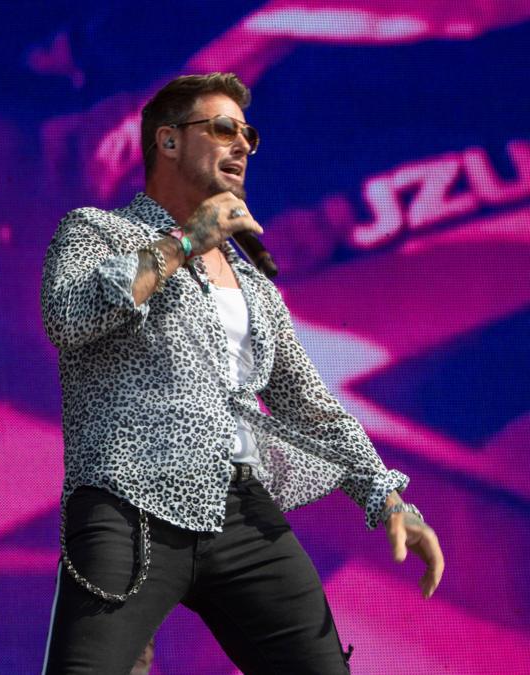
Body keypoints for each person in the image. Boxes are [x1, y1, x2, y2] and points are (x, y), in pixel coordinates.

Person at [39, 73, 444, 673]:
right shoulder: (97, 232)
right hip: (130, 506)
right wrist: (186, 240)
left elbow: (309, 405)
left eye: (247, 136)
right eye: (224, 129)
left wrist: (385, 498)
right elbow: (69, 317)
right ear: (168, 141)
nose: (241, 146)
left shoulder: (254, 284)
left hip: (242, 512)